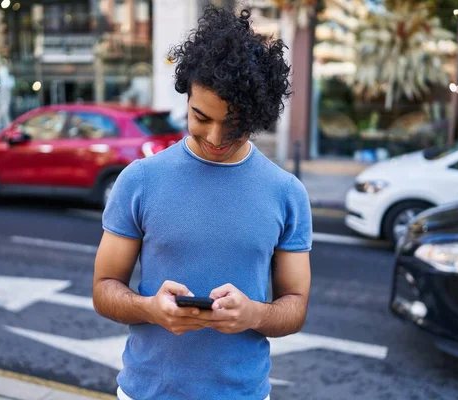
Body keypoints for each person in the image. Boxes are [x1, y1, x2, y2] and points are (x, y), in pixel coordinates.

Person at [93, 6, 312, 400]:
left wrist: (255, 315)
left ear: (258, 117)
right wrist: (148, 308)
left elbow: (295, 305)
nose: (214, 137)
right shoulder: (139, 180)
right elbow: (104, 288)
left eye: (234, 126)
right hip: (147, 392)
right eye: (200, 117)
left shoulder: (287, 192)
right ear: (188, 94)